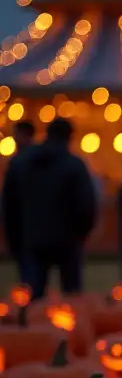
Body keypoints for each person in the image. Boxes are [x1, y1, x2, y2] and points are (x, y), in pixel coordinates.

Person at [6, 118, 96, 299]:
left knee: (33, 297)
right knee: (72, 297)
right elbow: (86, 205)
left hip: (32, 239)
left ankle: (31, 324)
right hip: (67, 240)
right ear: (69, 137)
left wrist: (16, 241)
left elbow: (9, 206)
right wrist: (81, 234)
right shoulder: (74, 166)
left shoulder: (21, 164)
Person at [0, 119, 37, 283]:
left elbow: (10, 200)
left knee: (29, 274)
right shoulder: (35, 161)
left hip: (24, 226)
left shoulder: (19, 163)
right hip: (30, 226)